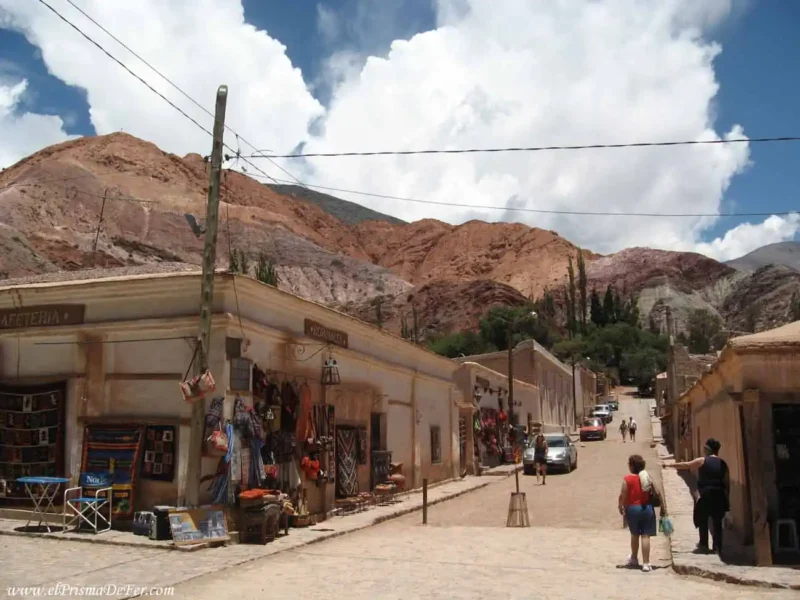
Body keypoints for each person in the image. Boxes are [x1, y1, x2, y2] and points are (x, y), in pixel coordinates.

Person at [665, 438, 729, 554]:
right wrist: (726, 497)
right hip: (719, 494)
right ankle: (717, 547)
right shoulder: (723, 463)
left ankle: (704, 544)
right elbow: (727, 482)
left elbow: (686, 465)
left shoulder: (702, 461)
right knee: (717, 522)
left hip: (705, 494)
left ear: (707, 449)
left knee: (702, 519)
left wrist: (669, 465)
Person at [619, 454, 661, 572]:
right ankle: (646, 563)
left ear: (632, 466)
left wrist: (620, 505)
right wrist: (663, 508)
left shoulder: (627, 479)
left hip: (632, 509)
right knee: (646, 536)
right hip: (646, 508)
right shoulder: (647, 477)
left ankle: (634, 558)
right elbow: (657, 491)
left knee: (634, 534)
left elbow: (623, 494)